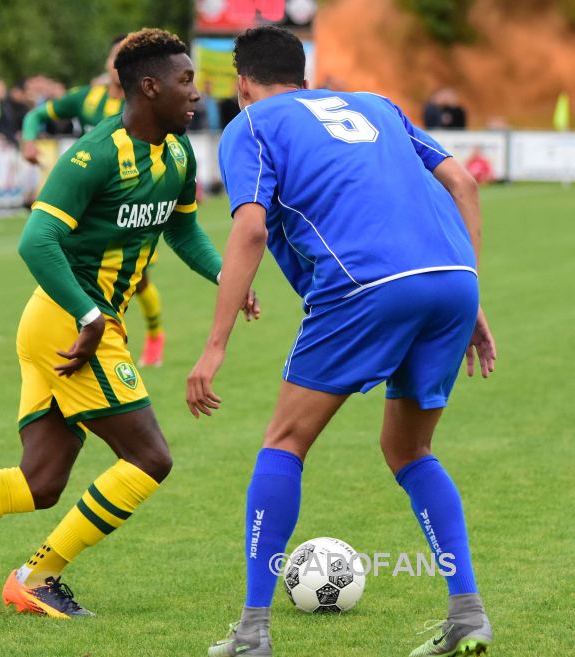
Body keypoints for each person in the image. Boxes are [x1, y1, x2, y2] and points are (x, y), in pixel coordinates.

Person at [0, 27, 257, 618]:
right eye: (185, 81)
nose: (197, 94)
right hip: (73, 323)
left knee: (39, 481)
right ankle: (36, 577)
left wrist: (227, 280)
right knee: (150, 458)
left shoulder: (179, 153)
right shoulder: (94, 154)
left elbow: (183, 228)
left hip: (66, 322)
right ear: (148, 86)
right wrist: (88, 315)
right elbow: (38, 239)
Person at [186, 27, 496, 657]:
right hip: (452, 281)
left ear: (243, 82)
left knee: (285, 441)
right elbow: (462, 183)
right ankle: (467, 614)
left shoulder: (250, 125)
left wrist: (215, 345)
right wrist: (472, 297)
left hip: (366, 285)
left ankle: (251, 632)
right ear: (303, 74)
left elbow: (248, 229)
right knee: (409, 449)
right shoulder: (377, 104)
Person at [22, 35, 171, 368]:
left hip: (128, 206)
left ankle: (154, 334)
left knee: (138, 280)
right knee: (65, 261)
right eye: (114, 56)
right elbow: (34, 117)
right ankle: (79, 330)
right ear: (108, 62)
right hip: (88, 202)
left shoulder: (139, 106)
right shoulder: (87, 98)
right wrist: (29, 141)